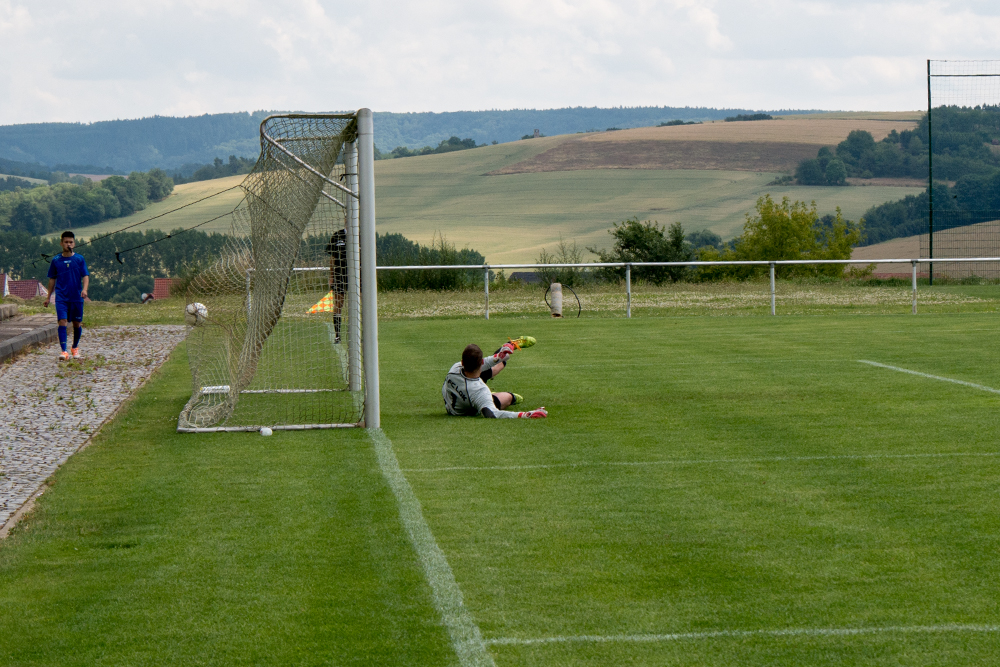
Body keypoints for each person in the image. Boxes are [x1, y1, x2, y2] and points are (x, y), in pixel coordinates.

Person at [442, 336, 547, 419]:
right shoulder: (480, 392)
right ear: (480, 365)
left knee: (497, 365)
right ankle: (504, 397)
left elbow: (487, 361)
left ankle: (511, 345)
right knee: (509, 397)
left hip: (457, 400)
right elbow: (493, 414)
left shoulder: (455, 368)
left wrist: (502, 353)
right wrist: (526, 414)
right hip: (470, 405)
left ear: (462, 362)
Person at [44, 231, 89, 361]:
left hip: (76, 296)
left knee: (76, 323)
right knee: (62, 321)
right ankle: (63, 351)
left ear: (74, 244)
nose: (68, 244)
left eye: (71, 242)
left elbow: (85, 275)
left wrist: (85, 289)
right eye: (66, 242)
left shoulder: (79, 259)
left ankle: (75, 348)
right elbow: (52, 279)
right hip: (61, 297)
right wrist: (48, 297)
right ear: (61, 243)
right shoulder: (56, 260)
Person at [325, 228, 347, 343]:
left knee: (362, 304)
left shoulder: (361, 234)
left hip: (357, 275)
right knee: (338, 305)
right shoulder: (337, 235)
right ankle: (337, 335)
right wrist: (332, 276)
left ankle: (364, 334)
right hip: (340, 274)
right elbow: (332, 258)